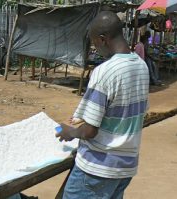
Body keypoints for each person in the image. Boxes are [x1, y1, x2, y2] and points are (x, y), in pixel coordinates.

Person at [55, 11, 150, 199]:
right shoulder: (141, 66)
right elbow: (126, 111)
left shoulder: (104, 71)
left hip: (97, 170)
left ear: (102, 39)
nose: (95, 48)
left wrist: (70, 132)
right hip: (125, 167)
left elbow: (90, 131)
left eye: (94, 43)